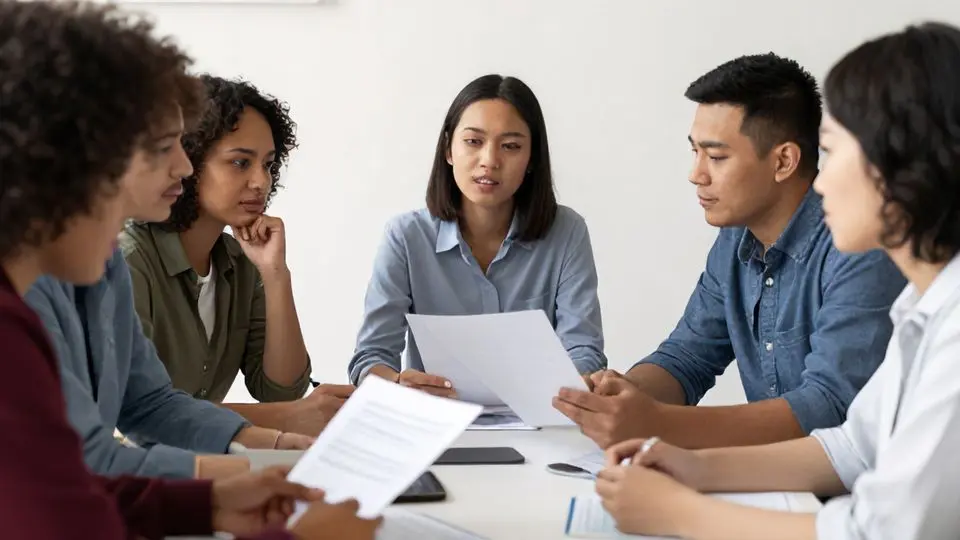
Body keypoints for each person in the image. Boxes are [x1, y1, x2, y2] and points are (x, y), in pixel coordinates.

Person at [0, 2, 380, 538]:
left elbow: (136, 415)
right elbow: (81, 487)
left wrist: (212, 496)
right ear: (57, 160)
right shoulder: (16, 323)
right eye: (162, 148)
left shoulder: (94, 263)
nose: (182, 165)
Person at [596, 22, 960, 540]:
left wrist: (681, 512)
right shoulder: (922, 311)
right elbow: (852, 446)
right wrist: (693, 467)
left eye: (832, 153)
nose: (823, 178)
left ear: (901, 167)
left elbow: (878, 531)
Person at [553, 53, 906, 449]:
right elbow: (688, 356)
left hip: (848, 491)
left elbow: (829, 406)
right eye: (695, 152)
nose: (696, 174)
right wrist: (623, 393)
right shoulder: (735, 240)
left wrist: (660, 423)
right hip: (776, 478)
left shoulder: (858, 245)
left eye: (717, 156)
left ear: (784, 161)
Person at [24, 80, 314, 481]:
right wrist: (236, 474)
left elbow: (148, 402)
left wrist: (273, 447)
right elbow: (83, 454)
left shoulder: (103, 259)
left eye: (267, 164)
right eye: (164, 147)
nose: (183, 165)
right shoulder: (59, 274)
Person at [347, 74, 606, 396]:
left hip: (541, 420)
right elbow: (371, 356)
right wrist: (399, 385)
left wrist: (576, 384)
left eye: (511, 146)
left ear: (531, 160)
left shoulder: (566, 233)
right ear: (448, 150)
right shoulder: (406, 237)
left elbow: (584, 350)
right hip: (436, 421)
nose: (490, 161)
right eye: (473, 141)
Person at [121, 75, 351, 436]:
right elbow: (134, 411)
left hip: (208, 463)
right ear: (190, 162)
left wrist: (275, 274)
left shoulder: (240, 263)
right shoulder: (130, 260)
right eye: (241, 163)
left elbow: (280, 390)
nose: (261, 181)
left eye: (269, 165)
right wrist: (286, 419)